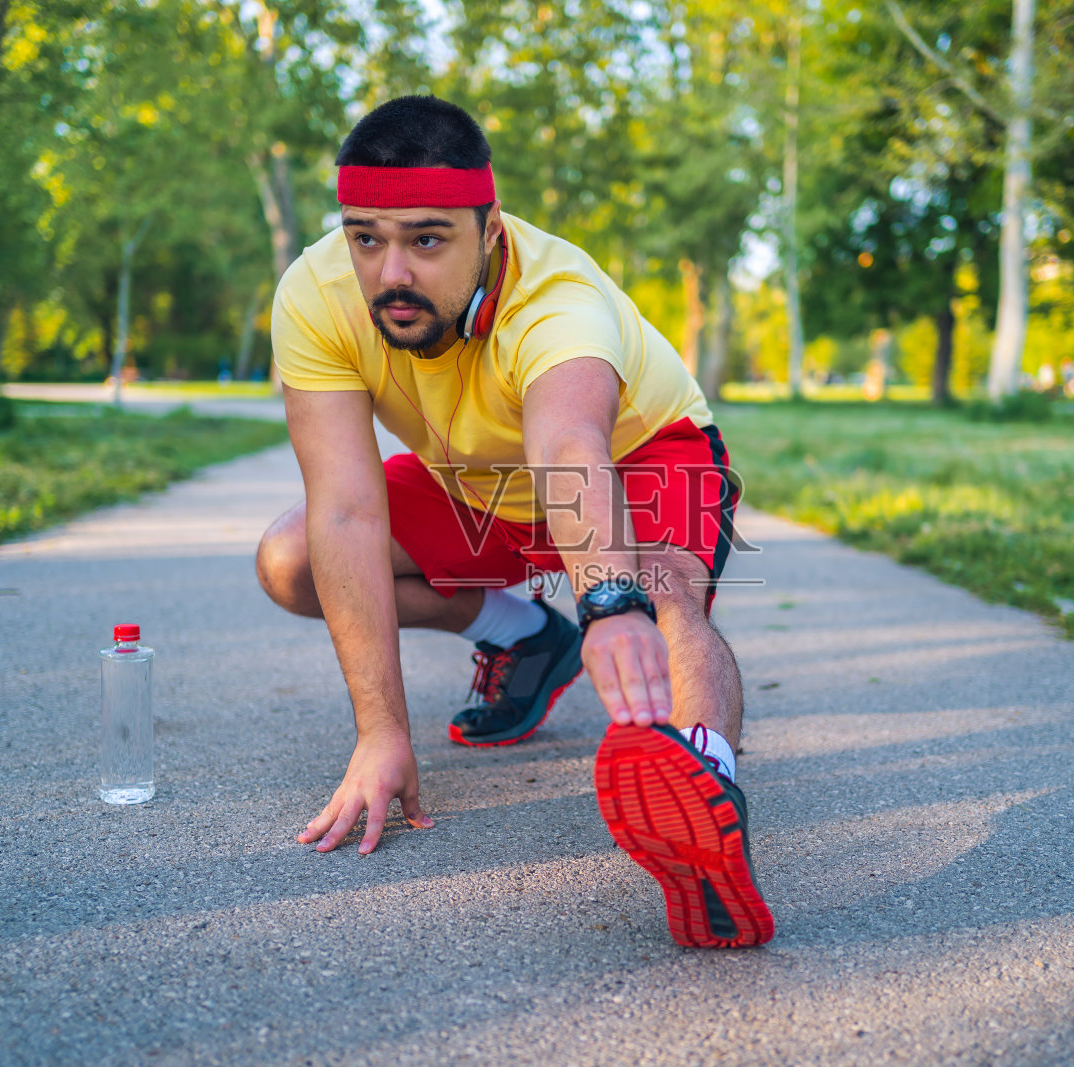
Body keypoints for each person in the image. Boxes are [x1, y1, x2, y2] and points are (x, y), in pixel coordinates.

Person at [255, 95, 773, 949]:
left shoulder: (558, 297)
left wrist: (610, 605)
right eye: (366, 238)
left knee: (666, 591)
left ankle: (707, 798)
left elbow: (571, 444)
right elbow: (345, 510)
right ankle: (531, 636)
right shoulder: (315, 295)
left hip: (635, 456)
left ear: (489, 230)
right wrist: (381, 731)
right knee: (290, 557)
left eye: (427, 240)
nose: (391, 273)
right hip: (475, 483)